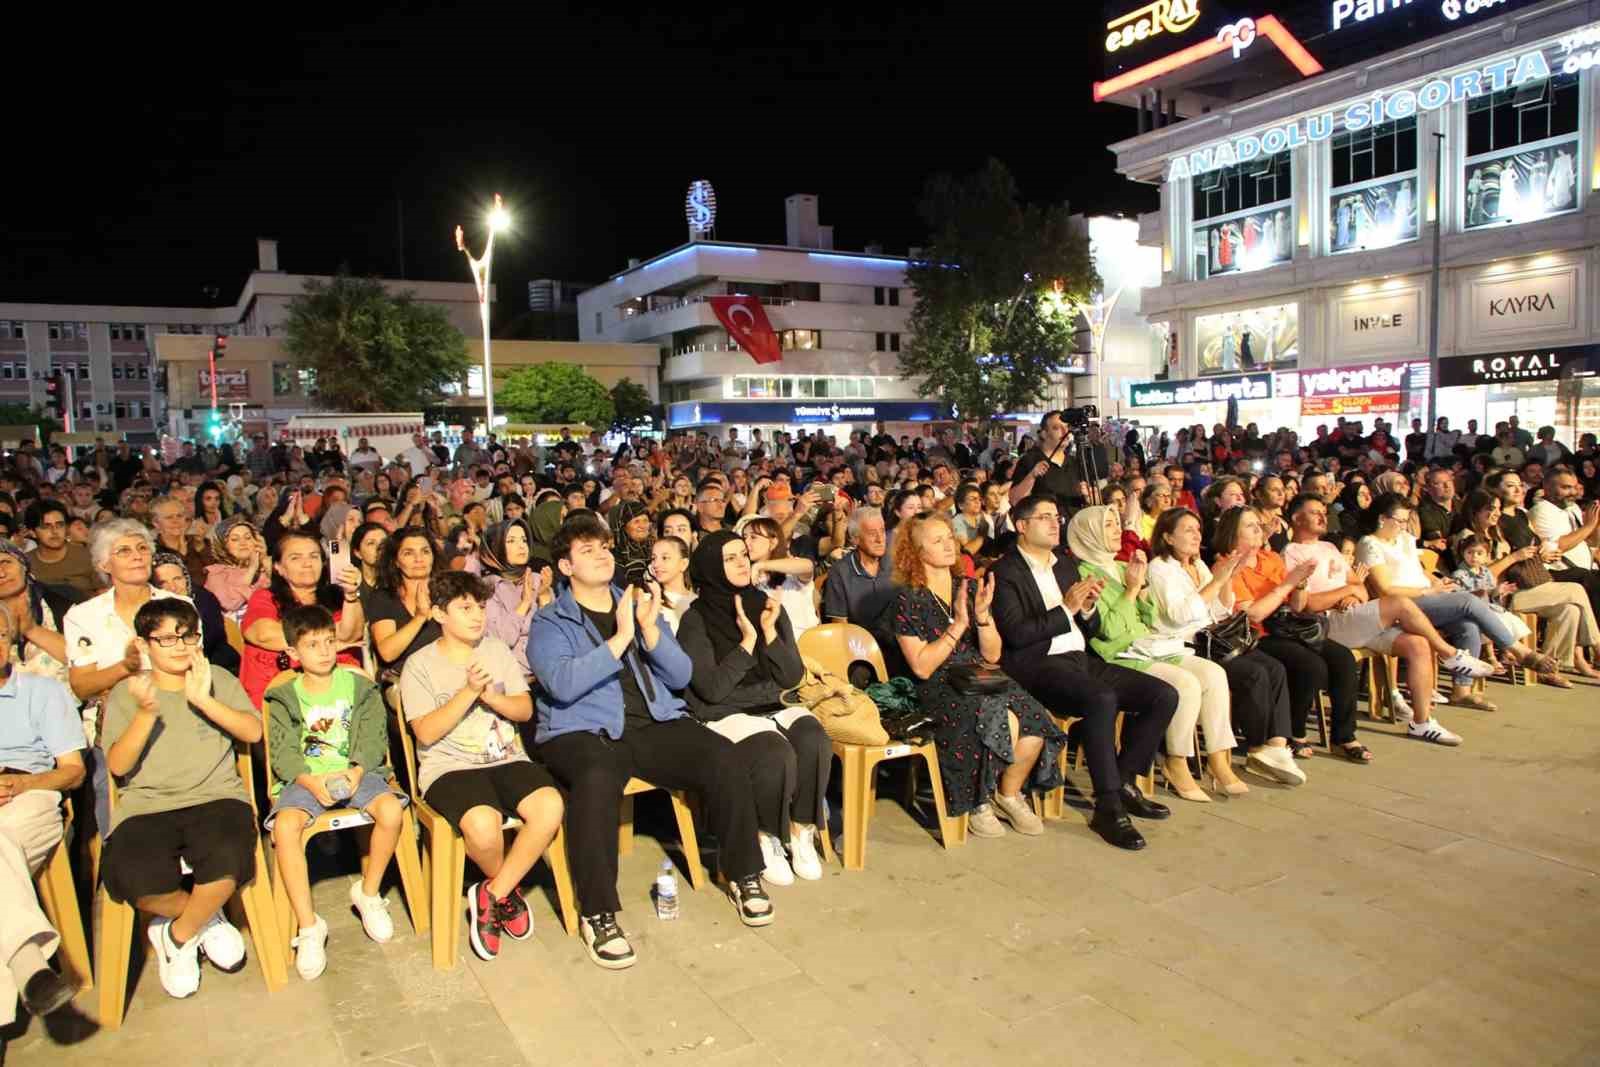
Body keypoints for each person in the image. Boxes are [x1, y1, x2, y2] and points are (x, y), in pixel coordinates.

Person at [530, 514, 774, 969]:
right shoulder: (550, 622)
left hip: (650, 722)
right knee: (597, 779)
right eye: (587, 550)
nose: (602, 554)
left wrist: (648, 631)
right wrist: (622, 637)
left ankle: (744, 873)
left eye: (604, 547)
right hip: (583, 729)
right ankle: (599, 912)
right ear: (564, 566)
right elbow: (562, 684)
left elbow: (681, 674)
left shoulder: (636, 602)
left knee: (722, 755)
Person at [100, 599, 262, 1000]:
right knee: (133, 875)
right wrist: (146, 712)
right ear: (143, 644)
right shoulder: (126, 693)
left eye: (187, 636)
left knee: (228, 855)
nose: (179, 646)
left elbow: (253, 732)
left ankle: (177, 934)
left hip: (216, 796)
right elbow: (118, 766)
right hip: (148, 805)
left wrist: (204, 699)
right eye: (167, 638)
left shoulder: (218, 678)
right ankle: (205, 920)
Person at [400, 571, 563, 962]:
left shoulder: (495, 651)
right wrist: (469, 692)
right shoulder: (419, 665)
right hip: (449, 767)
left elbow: (524, 709)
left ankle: (494, 892)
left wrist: (494, 699)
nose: (477, 615)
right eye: (465, 608)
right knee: (483, 827)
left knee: (550, 806)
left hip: (506, 757)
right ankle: (507, 888)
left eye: (481, 606)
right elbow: (424, 733)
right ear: (439, 614)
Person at [891, 510, 1068, 838]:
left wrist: (983, 619)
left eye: (950, 538)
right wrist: (958, 626)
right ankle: (977, 800)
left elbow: (993, 654)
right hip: (937, 682)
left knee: (1035, 718)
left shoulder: (968, 587)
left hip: (979, 672)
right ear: (917, 553)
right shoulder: (908, 598)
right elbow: (922, 666)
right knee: (994, 714)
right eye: (937, 540)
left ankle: (1008, 794)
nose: (949, 545)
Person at [676, 530, 828, 885]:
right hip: (725, 711)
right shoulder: (696, 620)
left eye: (743, 554)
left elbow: (791, 676)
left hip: (771, 702)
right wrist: (747, 643)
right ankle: (766, 835)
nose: (742, 561)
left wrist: (770, 633)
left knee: (812, 736)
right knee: (773, 750)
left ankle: (800, 829)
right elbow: (711, 690)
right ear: (712, 567)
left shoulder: (766, 605)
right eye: (730, 558)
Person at [265, 604, 408, 979]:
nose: (325, 651)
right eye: (313, 645)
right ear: (294, 653)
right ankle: (309, 926)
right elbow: (282, 752)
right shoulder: (284, 695)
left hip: (357, 772)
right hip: (306, 780)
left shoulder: (359, 685)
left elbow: (374, 736)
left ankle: (369, 892)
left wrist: (358, 771)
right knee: (284, 828)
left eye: (329, 641)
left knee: (392, 812)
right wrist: (311, 781)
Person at [1065, 505, 1245, 800]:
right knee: (1185, 683)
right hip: (1119, 655)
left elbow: (1148, 618)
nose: (1118, 531)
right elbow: (1111, 630)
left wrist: (1140, 590)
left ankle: (1218, 759)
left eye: (1116, 524)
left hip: (1151, 645)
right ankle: (1176, 761)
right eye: (1109, 525)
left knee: (1213, 673)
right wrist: (1133, 590)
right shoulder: (1085, 573)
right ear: (1090, 533)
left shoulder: (1122, 567)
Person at [1282, 494, 1492, 745]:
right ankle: (1449, 654)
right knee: (1400, 603)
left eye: (1323, 511)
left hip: (1353, 616)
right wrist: (1346, 592)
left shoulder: (1329, 548)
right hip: (1325, 625)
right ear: (1296, 518)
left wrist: (1352, 594)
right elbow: (1308, 604)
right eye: (1314, 511)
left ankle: (1422, 722)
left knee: (1418, 645)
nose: (1322, 516)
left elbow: (1359, 587)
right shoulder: (1290, 553)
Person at [1143, 508, 1305, 786]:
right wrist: (1219, 579)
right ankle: (1255, 748)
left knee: (1274, 668)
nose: (1196, 535)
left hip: (1212, 638)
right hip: (1185, 643)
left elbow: (1220, 610)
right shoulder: (1160, 567)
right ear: (1168, 537)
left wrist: (1228, 578)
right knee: (1253, 673)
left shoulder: (1198, 565)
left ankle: (1275, 747)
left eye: (1197, 529)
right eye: (1188, 530)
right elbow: (1179, 615)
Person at [1359, 493, 1553, 711]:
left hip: (1427, 596)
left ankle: (1462, 691)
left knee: (1467, 625)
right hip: (1401, 605)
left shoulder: (1404, 539)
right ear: (1382, 518)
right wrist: (1428, 591)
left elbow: (1419, 571)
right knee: (1468, 602)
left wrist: (1442, 583)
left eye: (1406, 520)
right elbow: (1386, 589)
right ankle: (1519, 651)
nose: (1404, 526)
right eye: (1400, 521)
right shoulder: (1370, 544)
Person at [1215, 507, 1370, 763]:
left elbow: (1297, 605)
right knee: (1310, 666)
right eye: (1249, 525)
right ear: (1233, 532)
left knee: (1342, 658)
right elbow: (1253, 615)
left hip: (1287, 626)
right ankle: (1295, 733)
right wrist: (1288, 584)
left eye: (1258, 524)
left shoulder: (1271, 559)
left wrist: (1300, 584)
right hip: (1256, 635)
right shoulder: (1228, 565)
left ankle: (1344, 736)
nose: (1258, 529)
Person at [0, 603, 88, 1026]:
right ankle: (29, 967)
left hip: (28, 794)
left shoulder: (41, 691)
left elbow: (73, 771)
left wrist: (21, 784)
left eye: (0, 634)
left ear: (11, 640)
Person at [1458, 488, 1600, 681]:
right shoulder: (1467, 537)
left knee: (1569, 610)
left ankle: (1548, 668)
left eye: (1498, 509)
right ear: (1474, 511)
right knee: (1576, 589)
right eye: (1489, 509)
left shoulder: (1496, 533)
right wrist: (1514, 557)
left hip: (1515, 588)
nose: (1496, 513)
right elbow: (1477, 577)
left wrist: (1541, 555)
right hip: (1497, 597)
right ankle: (1598, 647)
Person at [240, 532, 366, 708]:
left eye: (314, 556)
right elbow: (264, 634)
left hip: (336, 695)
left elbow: (350, 635)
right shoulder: (265, 598)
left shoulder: (338, 599)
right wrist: (328, 641)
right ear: (278, 567)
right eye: (295, 558)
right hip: (280, 697)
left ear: (323, 563)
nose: (307, 564)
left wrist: (351, 594)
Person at [367, 530, 444, 675]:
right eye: (408, 553)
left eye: (425, 552)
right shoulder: (383, 598)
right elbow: (387, 653)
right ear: (395, 561)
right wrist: (420, 617)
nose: (418, 558)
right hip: (404, 678)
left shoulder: (448, 593)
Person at [153, 550, 239, 676]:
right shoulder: (150, 610)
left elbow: (211, 640)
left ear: (186, 578)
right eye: (162, 583)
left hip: (214, 664)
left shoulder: (204, 599)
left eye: (177, 579)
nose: (172, 587)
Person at [1530, 466, 1600, 619]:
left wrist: (1595, 524)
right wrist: (1588, 526)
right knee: (1590, 579)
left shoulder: (1572, 507)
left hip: (1585, 569)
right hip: (1559, 571)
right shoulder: (1541, 510)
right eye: (1566, 487)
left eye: (1575, 487)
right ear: (1547, 487)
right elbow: (1558, 547)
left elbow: (1589, 542)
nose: (1573, 492)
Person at [740, 516, 819, 639]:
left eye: (753, 537)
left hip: (804, 643)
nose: (746, 542)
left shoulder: (790, 571)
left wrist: (761, 566)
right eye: (744, 537)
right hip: (770, 647)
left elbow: (808, 567)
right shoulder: (744, 577)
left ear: (773, 542)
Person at [24, 500, 100, 597]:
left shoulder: (89, 556)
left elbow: (105, 594)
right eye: (46, 526)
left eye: (59, 525)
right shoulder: (24, 563)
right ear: (32, 532)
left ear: (67, 528)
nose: (54, 531)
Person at [203, 516, 270, 618]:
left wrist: (264, 560)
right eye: (235, 539)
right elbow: (230, 603)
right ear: (223, 546)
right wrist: (252, 569)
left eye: (248, 537)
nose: (243, 543)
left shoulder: (267, 567)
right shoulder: (216, 573)